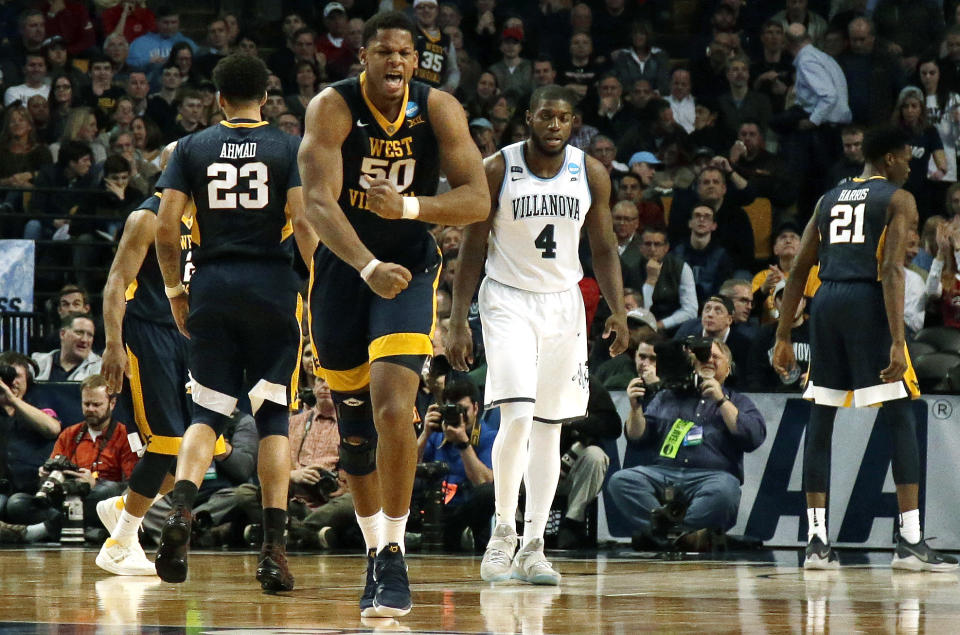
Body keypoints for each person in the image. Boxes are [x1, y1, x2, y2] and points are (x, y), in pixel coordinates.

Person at [297, 11, 488, 618]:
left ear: (416, 60)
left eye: (405, 53)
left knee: (392, 406)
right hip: (343, 273)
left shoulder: (439, 108)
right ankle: (374, 549)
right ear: (364, 58)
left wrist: (408, 207)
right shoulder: (331, 107)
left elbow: (476, 198)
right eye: (383, 51)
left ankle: (397, 550)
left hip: (408, 268)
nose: (396, 62)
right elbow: (318, 204)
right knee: (354, 434)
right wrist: (363, 265)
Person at [447, 82, 628, 586]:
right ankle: (502, 532)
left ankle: (534, 546)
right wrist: (458, 319)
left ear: (574, 124)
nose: (554, 126)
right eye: (545, 116)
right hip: (507, 300)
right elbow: (472, 248)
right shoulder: (498, 168)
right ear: (528, 118)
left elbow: (606, 248)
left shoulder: (589, 172)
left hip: (563, 306)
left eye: (564, 118)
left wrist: (618, 310)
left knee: (550, 426)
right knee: (519, 416)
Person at [154, 54, 315, 592]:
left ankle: (181, 510)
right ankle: (273, 551)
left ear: (218, 97)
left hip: (213, 285)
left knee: (206, 412)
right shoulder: (289, 147)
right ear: (266, 97)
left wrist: (176, 290)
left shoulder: (192, 147)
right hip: (272, 287)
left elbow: (165, 223)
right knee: (272, 418)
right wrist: (317, 293)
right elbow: (306, 221)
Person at [773, 125, 958, 571]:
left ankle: (816, 544)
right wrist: (899, 341)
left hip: (827, 304)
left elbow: (799, 268)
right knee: (900, 415)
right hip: (867, 303)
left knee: (821, 417)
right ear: (890, 160)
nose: (911, 167)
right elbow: (893, 270)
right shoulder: (898, 199)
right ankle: (910, 542)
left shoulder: (829, 197)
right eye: (907, 160)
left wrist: (782, 335)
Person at [92, 141, 200, 576]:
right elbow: (116, 283)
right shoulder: (146, 216)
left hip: (188, 338)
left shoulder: (203, 217)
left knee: (199, 446)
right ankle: (119, 543)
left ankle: (121, 508)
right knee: (166, 443)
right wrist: (113, 344)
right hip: (148, 335)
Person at [607, 340, 765, 546]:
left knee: (726, 490)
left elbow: (752, 437)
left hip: (711, 476)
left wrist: (721, 400)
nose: (708, 360)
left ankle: (665, 535)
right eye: (703, 357)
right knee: (621, 480)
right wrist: (635, 408)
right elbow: (637, 437)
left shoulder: (737, 400)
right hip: (663, 472)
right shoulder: (668, 396)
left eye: (715, 357)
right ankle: (687, 537)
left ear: (728, 368)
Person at [4, 374, 138, 542]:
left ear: (112, 404)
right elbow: (51, 481)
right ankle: (87, 529)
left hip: (100, 501)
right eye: (86, 404)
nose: (90, 409)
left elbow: (132, 486)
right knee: (16, 503)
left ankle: (41, 530)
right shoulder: (70, 434)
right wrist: (46, 476)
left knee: (106, 491)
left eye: (96, 405)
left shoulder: (124, 435)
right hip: (65, 498)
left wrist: (94, 483)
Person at [417, 377, 496, 552]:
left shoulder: (488, 436)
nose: (457, 415)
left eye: (463, 409)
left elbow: (484, 482)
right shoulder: (436, 434)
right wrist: (425, 434)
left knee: (487, 494)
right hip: (431, 509)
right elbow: (407, 468)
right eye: (450, 409)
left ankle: (463, 538)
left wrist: (462, 443)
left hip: (463, 513)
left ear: (475, 408)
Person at [32, 313, 101, 381]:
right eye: (79, 332)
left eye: (90, 335)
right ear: (63, 334)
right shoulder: (38, 363)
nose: (84, 340)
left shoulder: (100, 368)